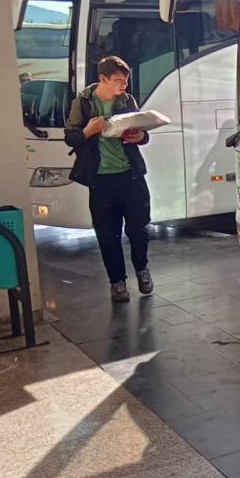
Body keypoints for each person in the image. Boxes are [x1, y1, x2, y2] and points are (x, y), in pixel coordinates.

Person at [64, 56, 153, 303]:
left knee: (139, 229)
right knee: (107, 234)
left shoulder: (127, 100)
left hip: (131, 177)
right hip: (101, 181)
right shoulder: (82, 103)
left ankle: (142, 270)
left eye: (126, 79)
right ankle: (117, 282)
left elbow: (139, 129)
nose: (124, 84)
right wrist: (87, 132)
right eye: (118, 80)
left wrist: (141, 136)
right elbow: (71, 138)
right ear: (103, 79)